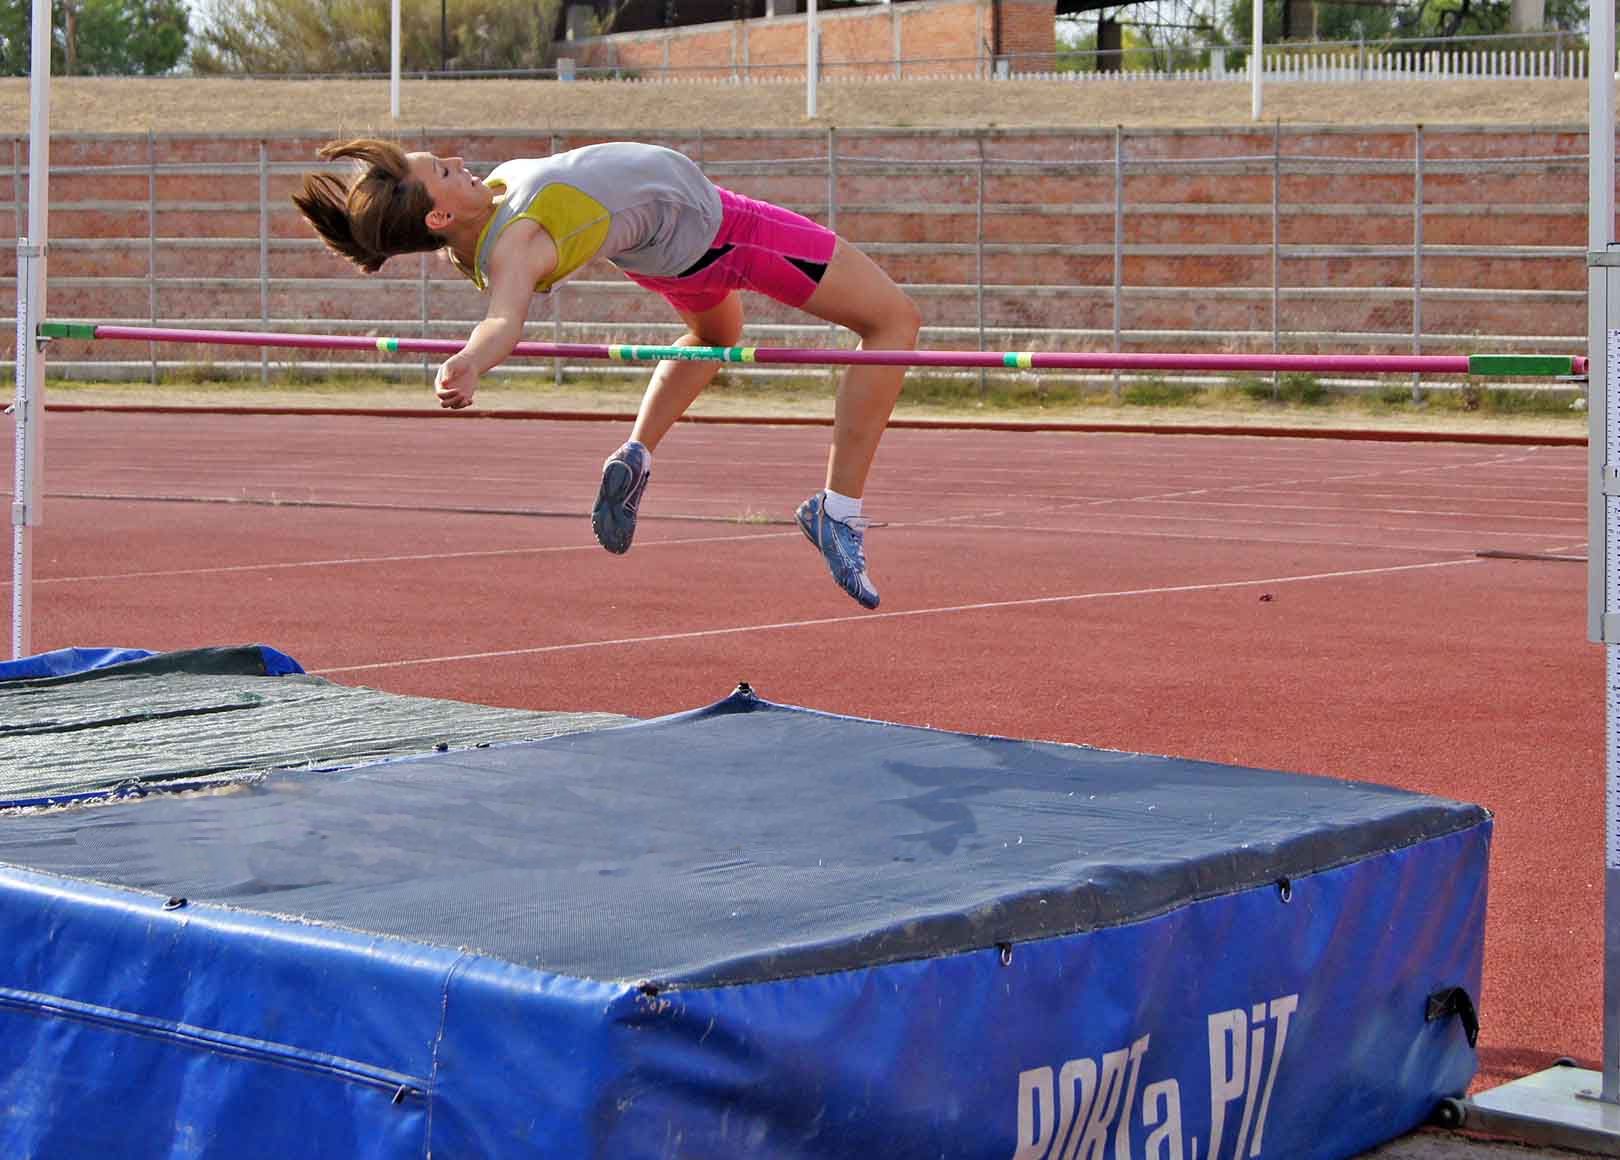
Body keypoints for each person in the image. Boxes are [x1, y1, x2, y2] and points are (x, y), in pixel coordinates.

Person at [293, 138, 921, 610]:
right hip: (728, 233)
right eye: (446, 172)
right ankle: (836, 510)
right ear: (438, 218)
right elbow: (504, 319)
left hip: (665, 257)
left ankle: (637, 454)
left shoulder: (480, 227)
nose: (459, 160)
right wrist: (471, 361)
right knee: (893, 322)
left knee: (715, 338)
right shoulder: (518, 244)